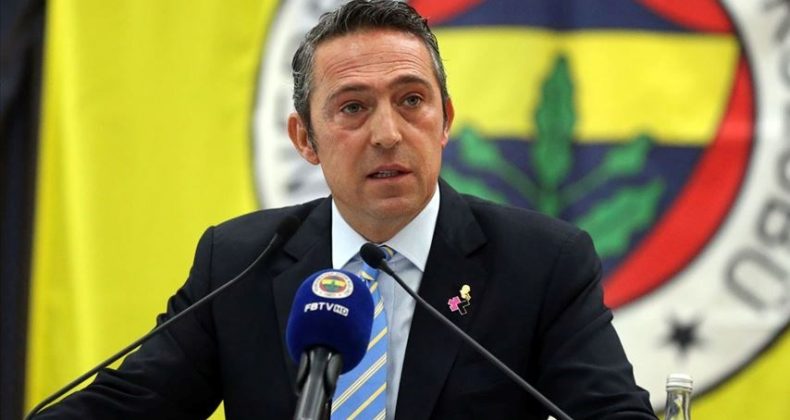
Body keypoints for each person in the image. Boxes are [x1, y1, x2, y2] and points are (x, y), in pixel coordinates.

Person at [36, 1, 656, 419]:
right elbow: (130, 404)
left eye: (411, 100)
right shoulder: (240, 262)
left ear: (445, 121)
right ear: (305, 139)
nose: (387, 133)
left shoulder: (541, 263)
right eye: (353, 108)